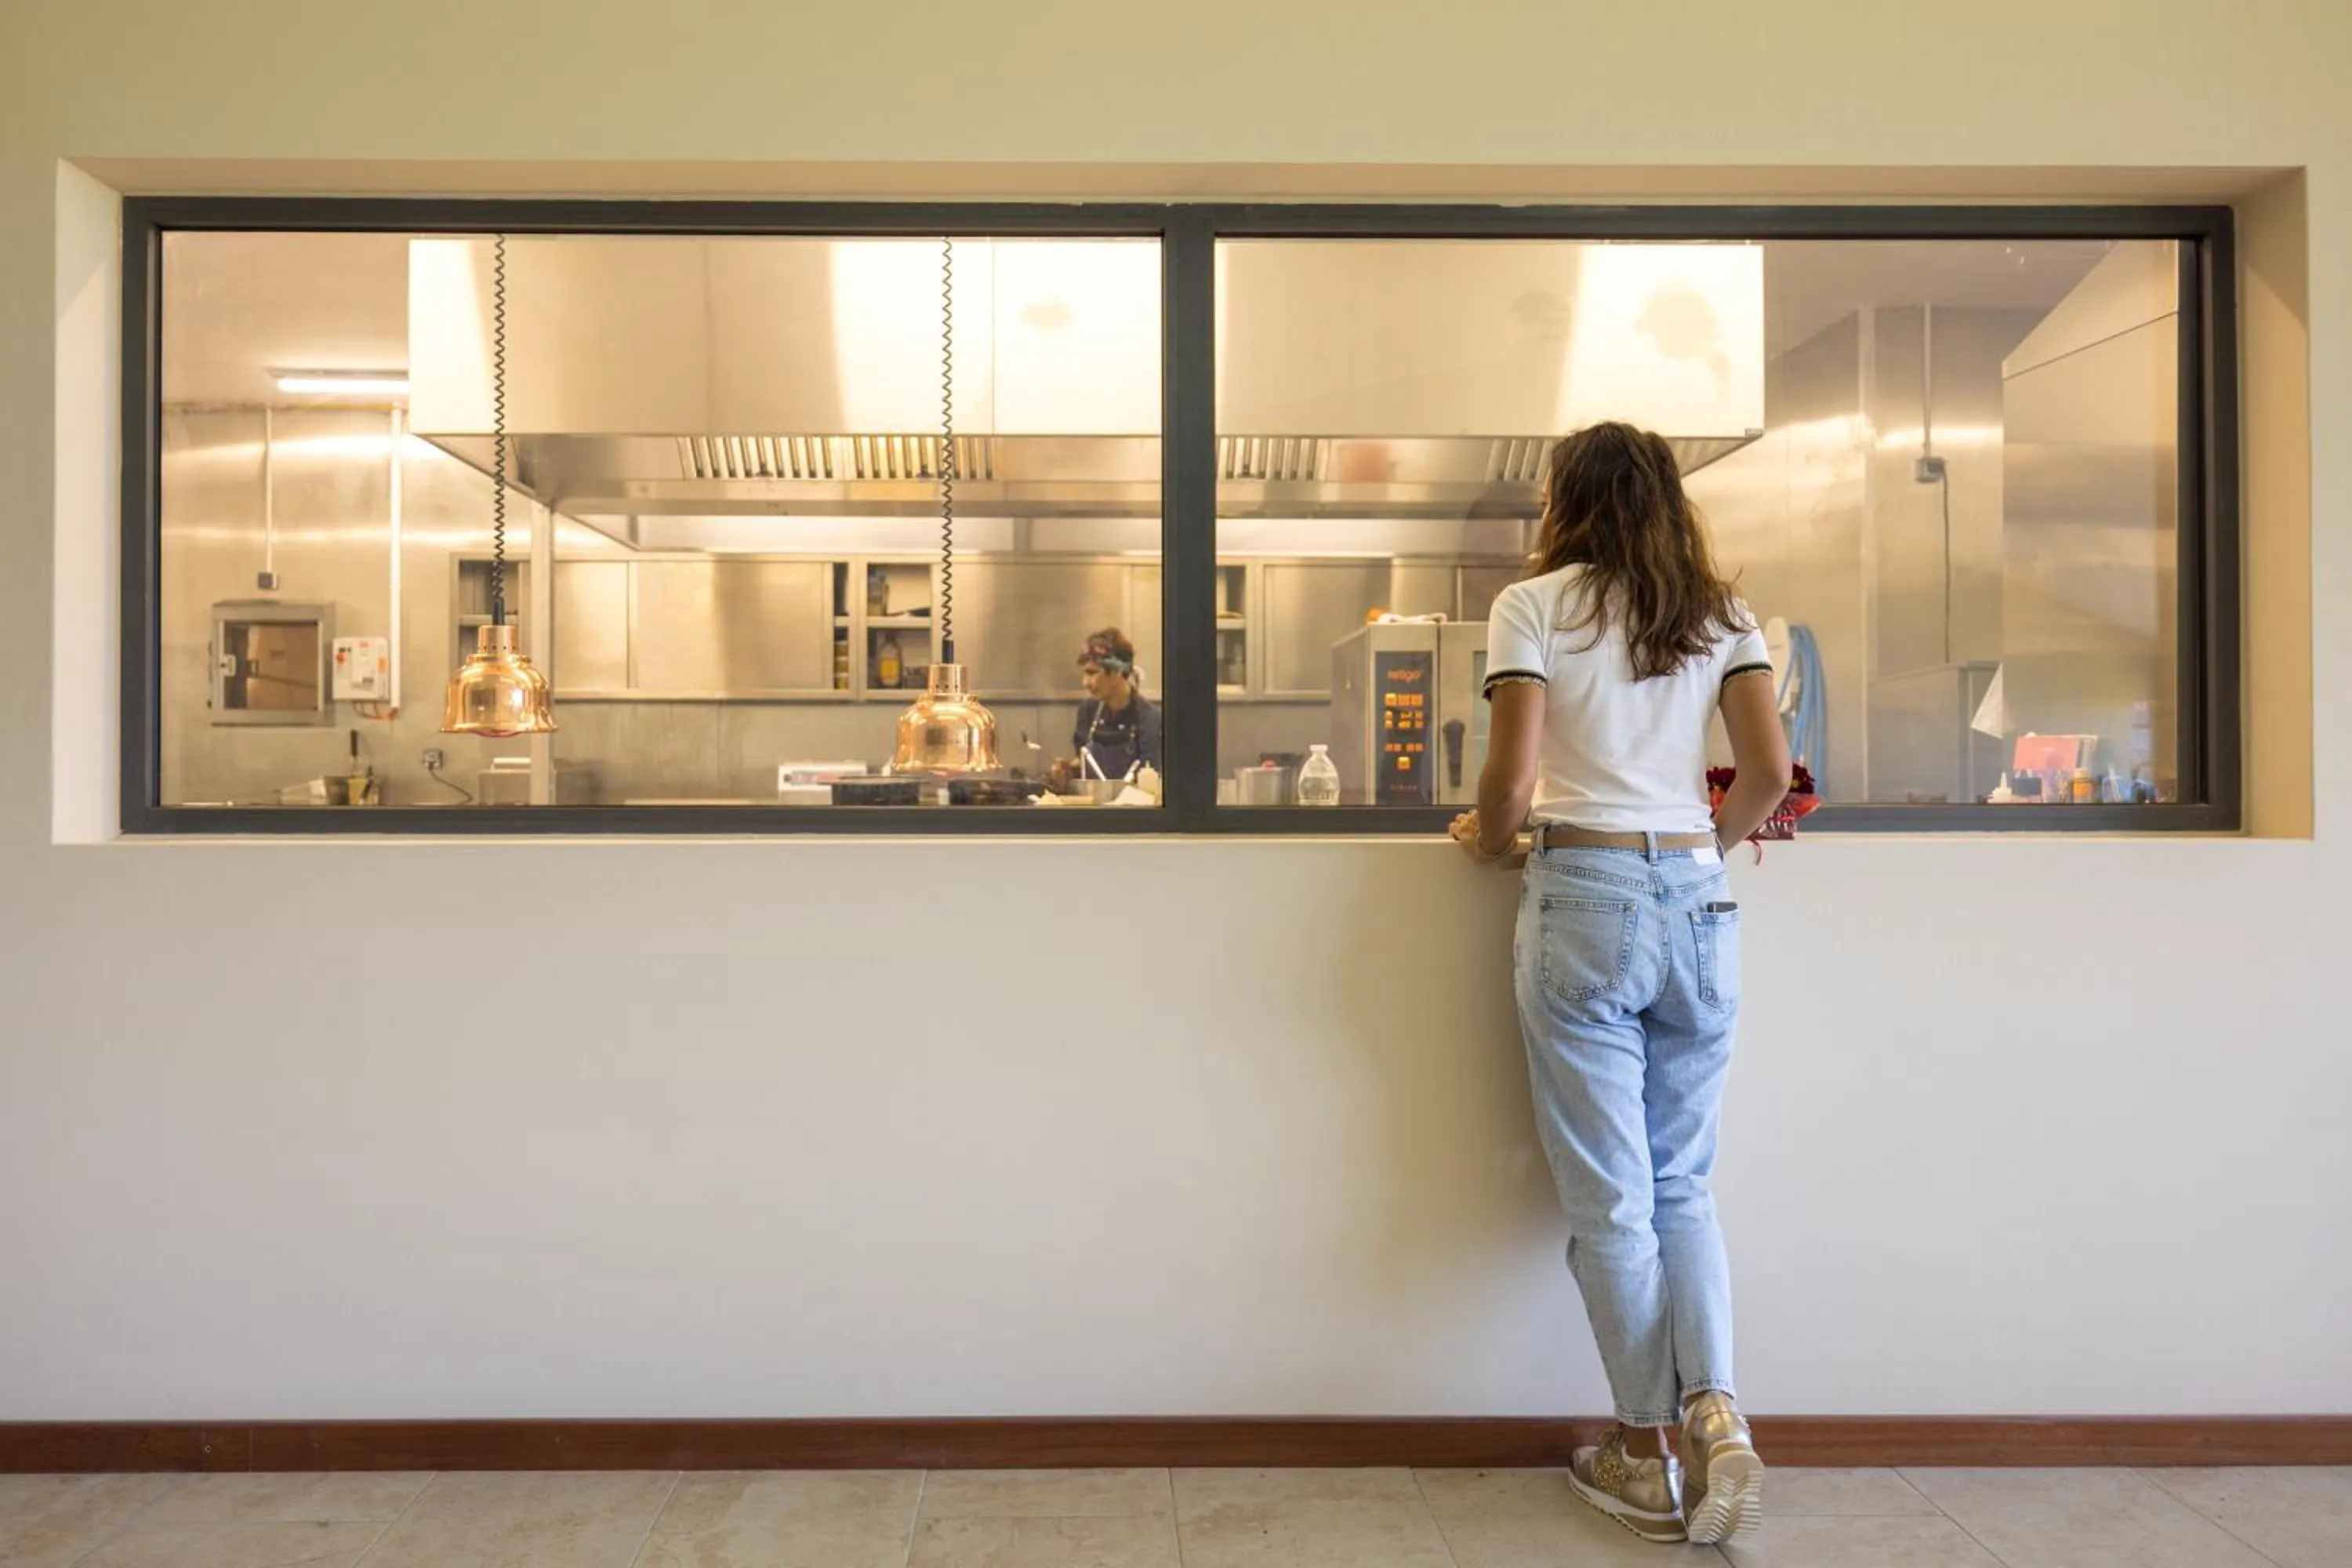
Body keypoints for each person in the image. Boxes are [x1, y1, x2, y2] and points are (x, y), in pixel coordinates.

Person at [1450, 422, 1791, 1547]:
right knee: (1685, 1184)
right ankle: (1719, 1414)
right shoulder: (1721, 611)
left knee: (1614, 1202)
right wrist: (1701, 850)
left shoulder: (1535, 605)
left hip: (1585, 891)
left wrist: (1492, 841)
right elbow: (1772, 774)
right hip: (1696, 897)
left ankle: (1646, 1455)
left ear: (1564, 500)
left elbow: (1509, 776)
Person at [1060, 628, 1160, 784]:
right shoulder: (1087, 712)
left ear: (1118, 672)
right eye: (1084, 674)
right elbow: (1083, 764)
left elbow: (1153, 783)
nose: (1085, 683)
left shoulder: (1150, 720)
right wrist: (1069, 772)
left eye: (1092, 673)